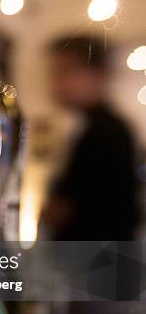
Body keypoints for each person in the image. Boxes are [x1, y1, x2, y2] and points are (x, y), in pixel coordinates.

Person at [42, 36, 141, 241]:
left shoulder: (104, 131)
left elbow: (62, 209)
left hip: (97, 264)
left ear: (97, 74)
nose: (56, 83)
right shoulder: (98, 126)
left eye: (65, 71)